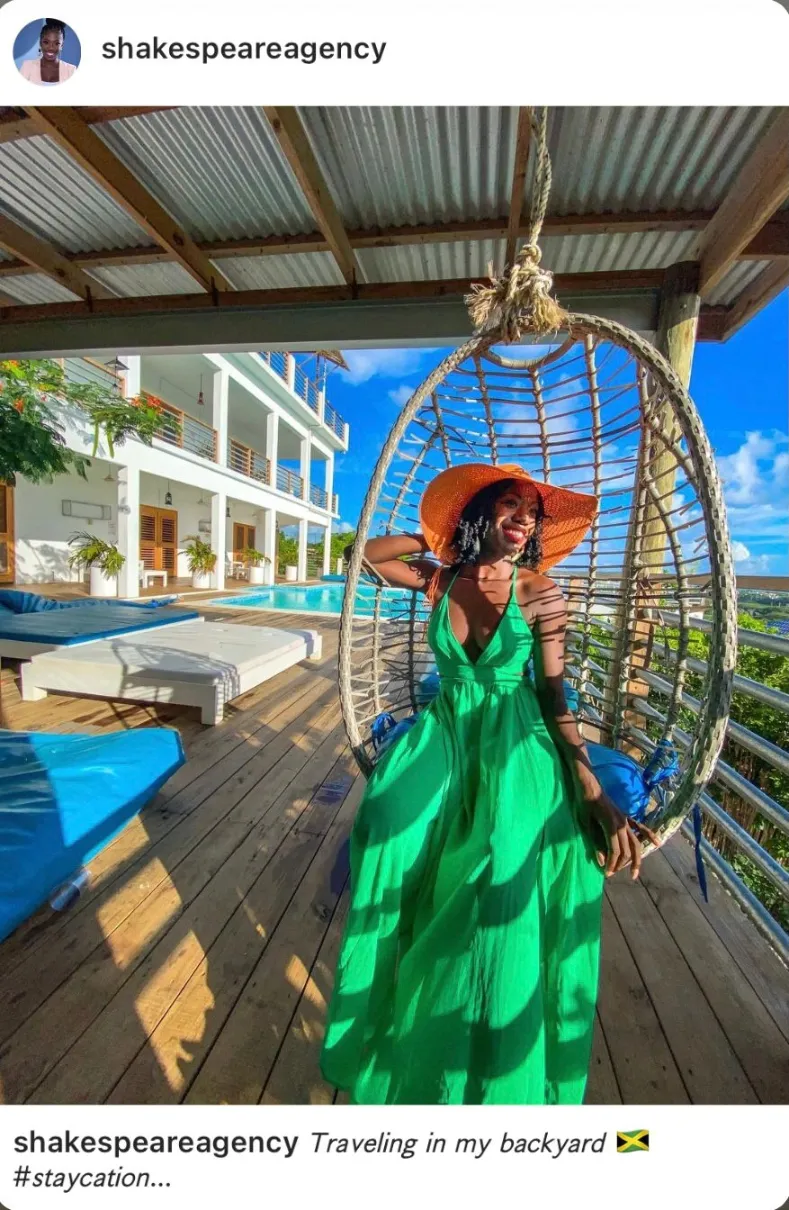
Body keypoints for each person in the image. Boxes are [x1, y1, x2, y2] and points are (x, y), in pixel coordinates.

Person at [321, 462, 659, 1105]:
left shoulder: (541, 592)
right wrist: (439, 535)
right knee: (387, 824)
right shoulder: (440, 579)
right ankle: (395, 1012)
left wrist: (591, 787)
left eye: (531, 509)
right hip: (446, 728)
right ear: (481, 514)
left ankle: (489, 1055)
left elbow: (554, 694)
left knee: (503, 859)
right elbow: (365, 556)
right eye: (510, 503)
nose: (524, 516)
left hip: (515, 735)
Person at [19, 19, 77, 84]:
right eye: (46, 42)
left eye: (56, 43)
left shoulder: (71, 70)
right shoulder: (27, 67)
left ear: (62, 45)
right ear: (40, 43)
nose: (51, 48)